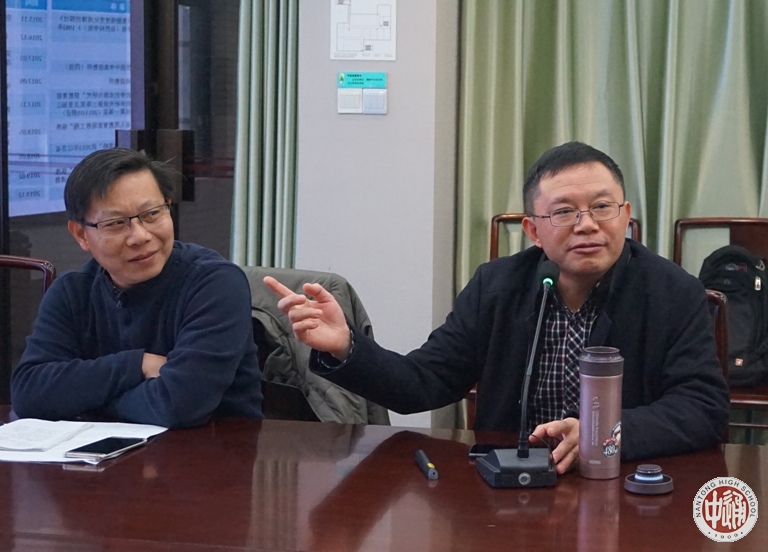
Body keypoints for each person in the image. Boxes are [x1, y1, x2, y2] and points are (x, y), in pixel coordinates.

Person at [264, 141, 730, 473]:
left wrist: (602, 432)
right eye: (564, 212)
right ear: (533, 230)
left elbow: (702, 408)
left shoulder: (673, 292)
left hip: (623, 481)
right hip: (509, 484)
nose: (587, 224)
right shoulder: (498, 286)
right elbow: (422, 383)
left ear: (625, 216)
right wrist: (346, 346)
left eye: (602, 207)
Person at [11, 147, 263, 427]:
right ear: (81, 234)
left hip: (213, 449)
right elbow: (29, 392)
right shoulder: (71, 292)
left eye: (152, 214)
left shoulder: (215, 283)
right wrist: (137, 364)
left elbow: (178, 405)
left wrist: (86, 402)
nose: (140, 236)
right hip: (103, 453)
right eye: (116, 223)